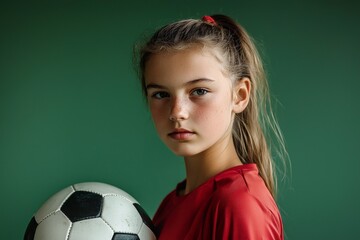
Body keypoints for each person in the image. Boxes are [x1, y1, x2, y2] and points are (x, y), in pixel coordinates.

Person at [135, 14, 287, 240]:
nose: (177, 112)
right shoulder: (172, 203)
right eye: (161, 94)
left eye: (199, 91)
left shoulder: (240, 205)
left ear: (240, 95)